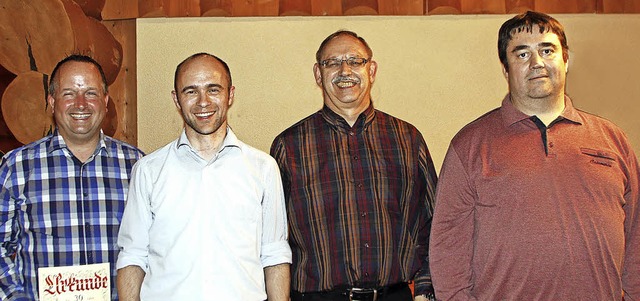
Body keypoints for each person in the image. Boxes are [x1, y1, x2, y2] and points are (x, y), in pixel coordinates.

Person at [429, 11, 640, 300]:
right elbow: (447, 245)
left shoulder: (613, 139)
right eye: (522, 54)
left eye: (547, 50)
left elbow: (636, 232)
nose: (537, 63)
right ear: (505, 69)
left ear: (566, 59)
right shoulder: (469, 145)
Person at [270, 30, 438, 301]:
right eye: (332, 62)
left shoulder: (408, 138)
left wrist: (425, 289)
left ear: (371, 70)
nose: (344, 70)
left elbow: (435, 222)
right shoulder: (289, 146)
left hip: (394, 296)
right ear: (317, 73)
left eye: (355, 61)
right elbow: (273, 237)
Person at [116, 53, 291, 301]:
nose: (203, 102)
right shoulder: (148, 170)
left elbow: (274, 254)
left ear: (230, 95)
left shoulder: (263, 168)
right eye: (191, 91)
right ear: (176, 99)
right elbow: (133, 255)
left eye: (213, 89)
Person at [0, 54, 144, 300]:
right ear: (52, 101)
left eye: (90, 93)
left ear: (105, 101)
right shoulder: (16, 167)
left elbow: (154, 247)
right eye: (68, 93)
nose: (80, 104)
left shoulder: (138, 166)